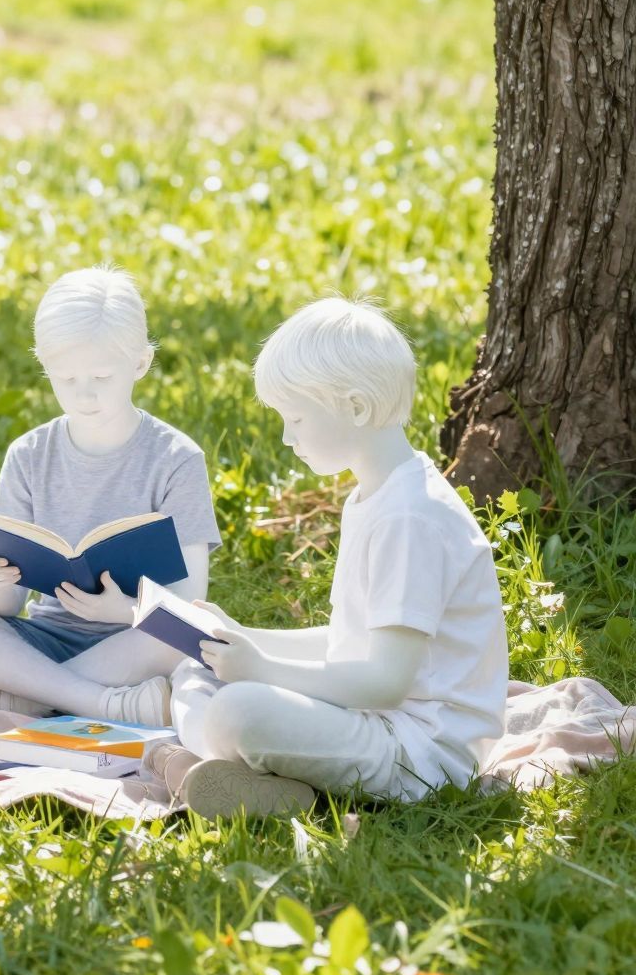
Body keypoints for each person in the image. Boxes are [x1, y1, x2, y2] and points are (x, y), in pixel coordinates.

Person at [162, 297, 508, 818]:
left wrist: (263, 669)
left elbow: (385, 683)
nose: (286, 437)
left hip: (422, 753)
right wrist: (245, 639)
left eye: (296, 418)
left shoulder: (409, 518)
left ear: (355, 408)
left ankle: (255, 777)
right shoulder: (375, 496)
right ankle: (282, 789)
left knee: (236, 709)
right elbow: (352, 644)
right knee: (194, 676)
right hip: (375, 721)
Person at [0, 267, 221, 726]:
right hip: (43, 637)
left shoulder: (176, 458)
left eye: (100, 377)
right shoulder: (29, 454)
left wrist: (126, 609)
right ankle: (101, 705)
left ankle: (22, 699)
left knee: (189, 634)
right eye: (66, 379)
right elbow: (5, 608)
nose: (84, 394)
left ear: (140, 364)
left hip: (133, 641)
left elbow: (189, 599)